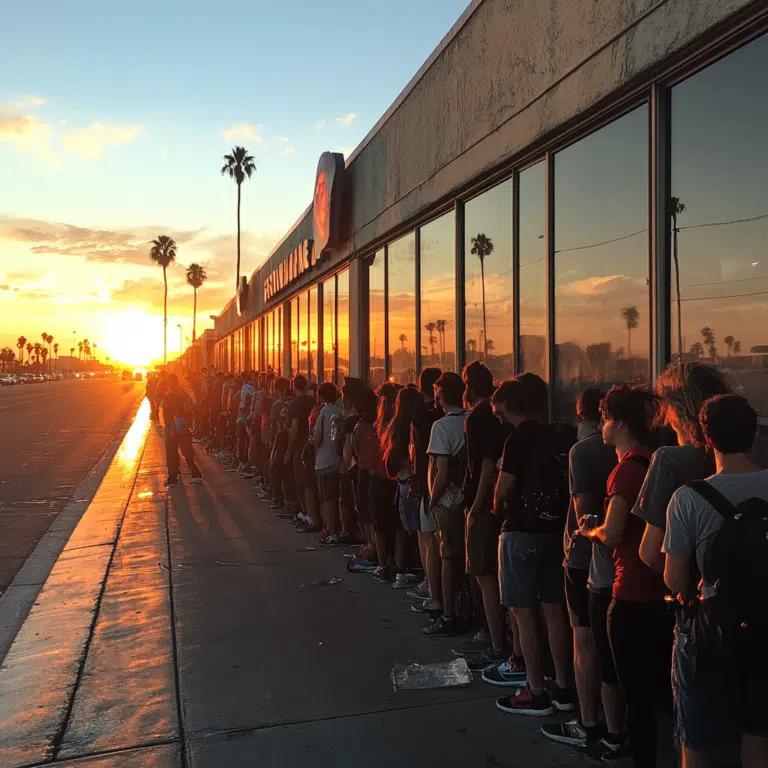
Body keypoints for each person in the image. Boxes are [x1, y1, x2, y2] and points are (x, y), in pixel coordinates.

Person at [663, 394, 768, 768]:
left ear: (706, 440)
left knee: (698, 741)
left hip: (711, 631)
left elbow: (674, 581)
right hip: (764, 629)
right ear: (755, 435)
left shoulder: (687, 499)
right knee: (758, 738)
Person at [582, 385, 670, 767]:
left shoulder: (625, 471)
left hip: (630, 593)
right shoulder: (659, 462)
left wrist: (590, 531)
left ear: (618, 423)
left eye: (604, 419)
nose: (601, 426)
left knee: (633, 692)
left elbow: (614, 532)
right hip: (660, 590)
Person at [486, 373, 574, 717]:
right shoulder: (556, 435)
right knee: (555, 611)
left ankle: (535, 688)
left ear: (507, 405)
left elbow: (504, 490)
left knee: (523, 614)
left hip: (521, 530)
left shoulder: (517, 438)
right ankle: (564, 686)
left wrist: (495, 506)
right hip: (554, 532)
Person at [541, 388, 620, 752]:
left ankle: (587, 720)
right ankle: (615, 725)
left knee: (584, 640)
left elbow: (584, 509)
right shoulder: (640, 453)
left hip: (583, 559)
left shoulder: (583, 452)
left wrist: (582, 537)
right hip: (619, 563)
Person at [636, 364, 730, 575]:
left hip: (704, 595)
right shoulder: (752, 455)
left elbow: (650, 553)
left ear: (678, 409)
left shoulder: (669, 460)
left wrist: (685, 584)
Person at [460, 362, 507, 669]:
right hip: (498, 504)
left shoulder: (479, 417)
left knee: (484, 575)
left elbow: (486, 464)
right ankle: (495, 634)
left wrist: (477, 507)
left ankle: (496, 641)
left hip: (484, 504)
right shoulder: (496, 416)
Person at [423, 371, 469, 636]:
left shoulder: (441, 427)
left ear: (441, 395)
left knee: (449, 559)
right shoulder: (471, 421)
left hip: (448, 502)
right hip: (469, 501)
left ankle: (449, 613)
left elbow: (441, 469)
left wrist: (433, 498)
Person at [409, 367, 444, 615]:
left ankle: (433, 591)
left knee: (428, 540)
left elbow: (416, 452)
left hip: (429, 483)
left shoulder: (421, 417)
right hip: (456, 492)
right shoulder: (458, 418)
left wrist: (418, 482)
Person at [382, 386, 424, 590]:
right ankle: (418, 571)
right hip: (418, 485)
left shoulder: (396, 428)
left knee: (406, 530)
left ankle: (402, 570)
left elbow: (390, 463)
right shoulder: (422, 426)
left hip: (404, 483)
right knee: (421, 533)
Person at [347, 388, 381, 573]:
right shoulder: (379, 421)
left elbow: (355, 450)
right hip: (376, 472)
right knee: (370, 513)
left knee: (367, 513)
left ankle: (372, 547)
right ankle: (373, 547)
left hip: (365, 470)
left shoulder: (361, 425)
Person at [285, 375, 321, 531]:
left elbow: (294, 427)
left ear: (293, 387)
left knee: (303, 483)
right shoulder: (313, 402)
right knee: (312, 482)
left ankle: (309, 514)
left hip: (300, 447)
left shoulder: (294, 404)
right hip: (313, 446)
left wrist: (289, 448)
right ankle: (313, 514)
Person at [313, 382, 343, 545]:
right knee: (337, 497)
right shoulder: (340, 411)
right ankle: (338, 529)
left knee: (327, 499)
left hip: (324, 460)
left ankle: (331, 531)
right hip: (338, 461)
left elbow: (317, 438)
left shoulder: (324, 411)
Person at [161, 373, 203, 486]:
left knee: (172, 453)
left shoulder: (169, 397)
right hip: (183, 428)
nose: (170, 384)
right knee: (186, 452)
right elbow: (189, 412)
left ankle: (173, 477)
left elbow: (166, 414)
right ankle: (194, 474)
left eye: (171, 382)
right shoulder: (184, 395)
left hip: (173, 429)